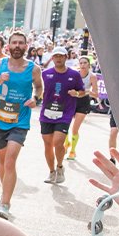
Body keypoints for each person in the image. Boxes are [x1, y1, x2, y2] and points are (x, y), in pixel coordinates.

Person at [0, 32, 42, 220]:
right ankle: (6, 191)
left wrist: (36, 98)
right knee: (2, 163)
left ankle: (5, 203)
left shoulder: (33, 69)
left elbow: (39, 87)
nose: (17, 46)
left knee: (10, 161)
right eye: (14, 43)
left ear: (26, 46)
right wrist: (0, 81)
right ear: (8, 46)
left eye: (21, 43)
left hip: (20, 120)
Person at [39, 46, 85, 184]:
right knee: (47, 144)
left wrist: (76, 93)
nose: (58, 58)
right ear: (52, 58)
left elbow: (82, 91)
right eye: (56, 56)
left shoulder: (74, 75)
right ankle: (51, 172)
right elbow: (37, 88)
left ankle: (60, 167)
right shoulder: (45, 74)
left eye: (61, 56)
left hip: (64, 113)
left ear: (66, 57)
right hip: (47, 112)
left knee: (57, 142)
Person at [65, 55, 99, 161]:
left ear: (89, 64)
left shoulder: (92, 76)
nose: (83, 65)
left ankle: (72, 151)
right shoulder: (75, 74)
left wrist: (87, 91)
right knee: (64, 125)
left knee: (75, 129)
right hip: (72, 100)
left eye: (85, 63)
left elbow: (96, 94)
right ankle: (66, 143)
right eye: (81, 63)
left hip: (83, 102)